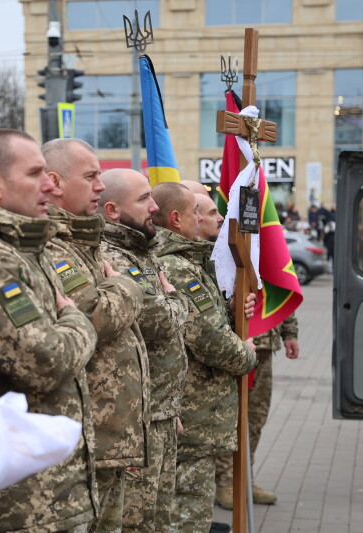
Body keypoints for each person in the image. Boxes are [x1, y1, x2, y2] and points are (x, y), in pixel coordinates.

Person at [0, 129, 99, 533]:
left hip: (49, 488)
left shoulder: (16, 244)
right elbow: (45, 362)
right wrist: (78, 321)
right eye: (35, 173)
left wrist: (67, 326)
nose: (48, 184)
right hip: (26, 501)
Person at [42, 139, 150, 533]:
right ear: (54, 181)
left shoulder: (84, 240)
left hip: (111, 430)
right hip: (91, 435)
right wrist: (128, 289)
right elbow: (93, 318)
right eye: (90, 176)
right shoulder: (55, 246)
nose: (100, 185)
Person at [151, 183, 258, 532]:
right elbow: (208, 339)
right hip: (193, 413)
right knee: (187, 513)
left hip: (198, 414)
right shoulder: (179, 267)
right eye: (198, 211)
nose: (204, 219)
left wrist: (230, 311)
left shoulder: (190, 261)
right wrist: (245, 355)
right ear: (176, 218)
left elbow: (205, 321)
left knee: (190, 509)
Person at [98, 168, 189, 533]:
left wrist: (169, 406)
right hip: (137, 424)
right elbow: (159, 321)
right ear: (112, 211)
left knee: (158, 521)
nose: (155, 207)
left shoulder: (141, 250)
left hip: (159, 414)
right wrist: (173, 298)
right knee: (139, 523)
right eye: (143, 199)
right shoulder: (114, 257)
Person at [215, 312, 300, 509]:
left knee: (256, 417)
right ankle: (226, 481)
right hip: (236, 345)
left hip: (264, 348)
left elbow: (282, 288)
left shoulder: (268, 278)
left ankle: (245, 478)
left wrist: (289, 333)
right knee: (231, 416)